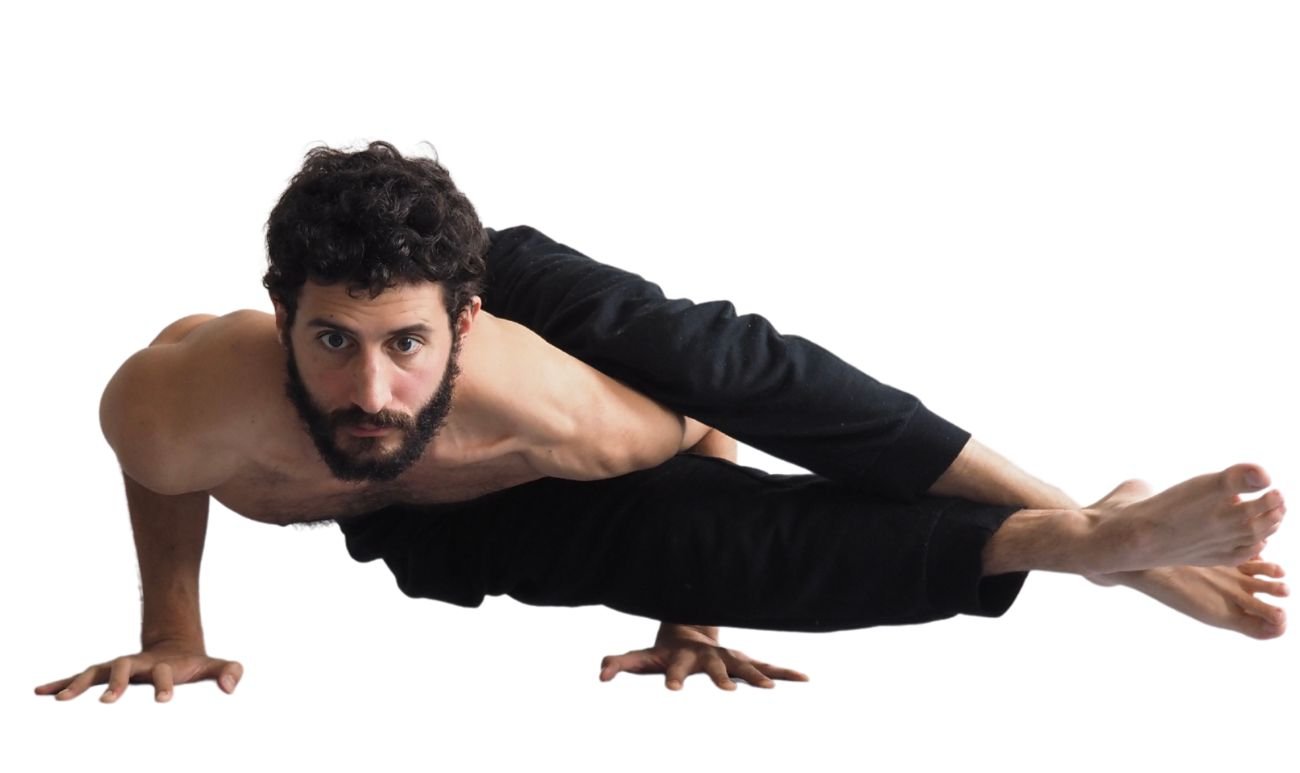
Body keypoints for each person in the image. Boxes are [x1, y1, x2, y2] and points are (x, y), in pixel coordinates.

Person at [35, 142, 1289, 703]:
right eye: (332, 343)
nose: (369, 392)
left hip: (548, 358)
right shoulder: (176, 404)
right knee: (584, 547)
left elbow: (713, 437)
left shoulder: (555, 408)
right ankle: (1085, 532)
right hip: (453, 523)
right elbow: (160, 474)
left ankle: (1071, 535)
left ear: (459, 327)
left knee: (713, 373)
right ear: (281, 315)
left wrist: (689, 614)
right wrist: (173, 634)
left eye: (404, 345)